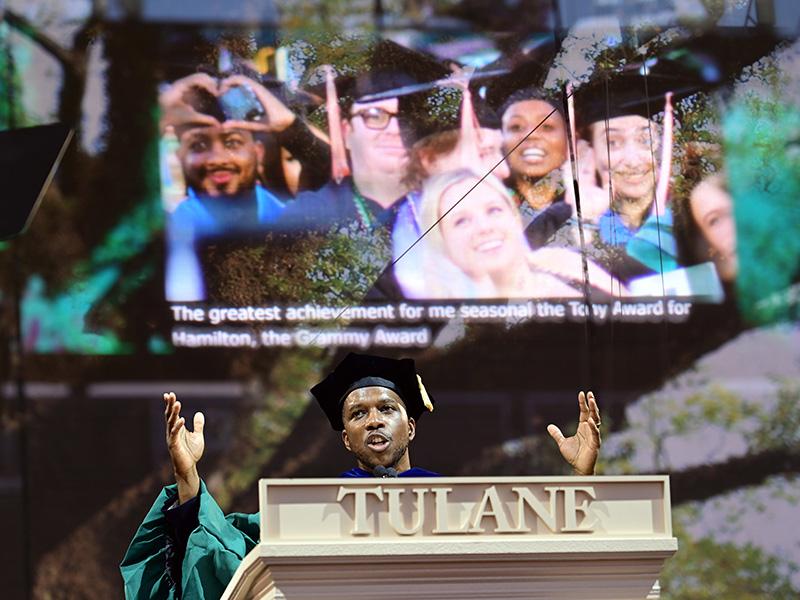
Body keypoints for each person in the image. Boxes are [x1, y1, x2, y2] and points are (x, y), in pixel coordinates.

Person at [121, 352, 602, 598]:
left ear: (410, 426)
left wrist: (584, 483)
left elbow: (538, 554)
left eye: (387, 409)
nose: (373, 420)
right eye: (357, 414)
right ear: (345, 439)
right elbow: (223, 556)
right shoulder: (307, 514)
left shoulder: (461, 501)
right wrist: (189, 478)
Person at [162, 71, 327, 301]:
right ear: (180, 156)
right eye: (199, 145)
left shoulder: (286, 223)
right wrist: (159, 117)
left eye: (232, 142)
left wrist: (290, 128)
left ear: (258, 153)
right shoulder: (169, 233)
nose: (218, 159)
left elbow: (337, 182)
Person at [414, 169, 622, 299]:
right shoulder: (448, 331)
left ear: (513, 218)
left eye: (494, 210)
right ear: (441, 241)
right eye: (461, 221)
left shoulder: (561, 264)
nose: (484, 227)